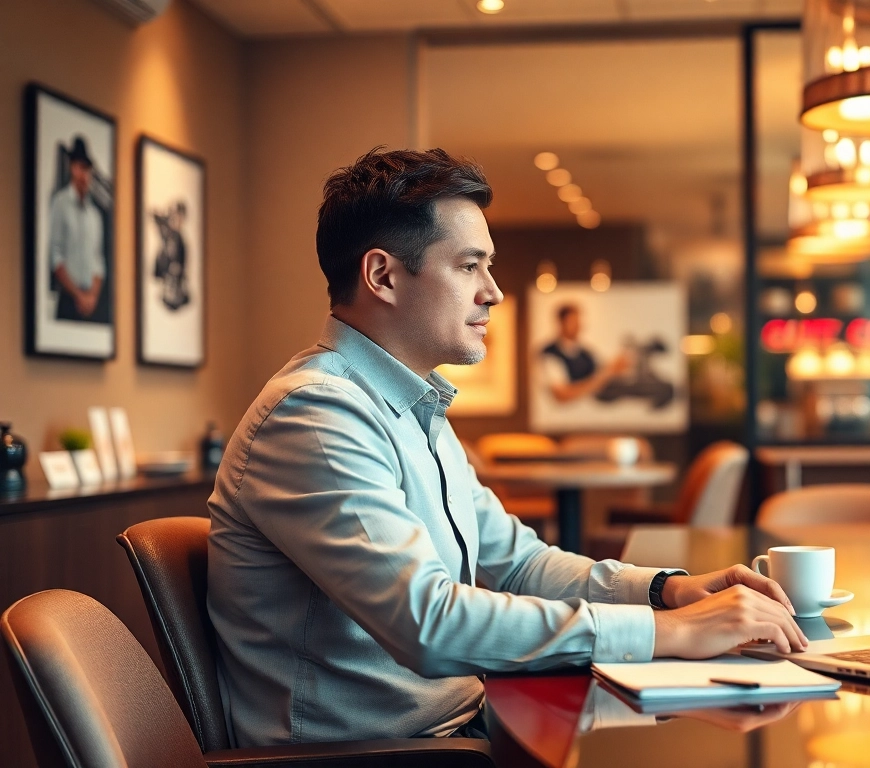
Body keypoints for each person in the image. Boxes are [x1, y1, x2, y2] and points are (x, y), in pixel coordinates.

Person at [206, 148, 807, 748]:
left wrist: (667, 591)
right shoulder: (316, 414)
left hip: (466, 727)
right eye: (470, 266)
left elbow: (519, 564)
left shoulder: (419, 412)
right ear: (383, 276)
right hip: (379, 756)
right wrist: (667, 631)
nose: (493, 292)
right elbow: (429, 623)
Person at [49, 136, 106, 322]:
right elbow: (56, 256)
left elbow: (98, 261)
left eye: (87, 169)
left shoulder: (95, 215)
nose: (84, 175)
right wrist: (77, 294)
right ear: (72, 168)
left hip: (91, 302)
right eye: (80, 168)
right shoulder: (60, 203)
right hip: (68, 296)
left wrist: (92, 296)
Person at [540, 304, 632, 403]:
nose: (577, 326)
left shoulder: (586, 353)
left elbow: (598, 377)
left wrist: (613, 370)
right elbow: (562, 394)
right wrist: (607, 373)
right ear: (561, 323)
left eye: (578, 321)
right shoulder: (550, 353)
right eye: (573, 322)